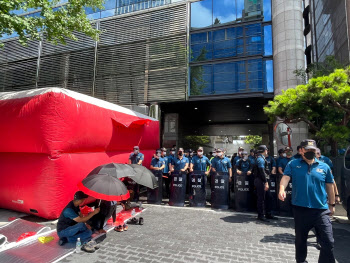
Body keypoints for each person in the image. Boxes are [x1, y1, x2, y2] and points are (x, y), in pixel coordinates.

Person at [279, 139, 335, 263]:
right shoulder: (293, 164)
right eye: (308, 149)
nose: (310, 151)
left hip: (321, 210)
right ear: (301, 150)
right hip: (300, 210)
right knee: (300, 241)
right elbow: (286, 177)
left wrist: (332, 204)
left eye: (312, 150)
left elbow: (330, 185)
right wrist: (282, 189)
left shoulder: (324, 166)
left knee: (328, 241)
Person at [255, 145, 278, 221]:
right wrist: (266, 182)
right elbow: (262, 172)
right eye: (266, 150)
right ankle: (260, 215)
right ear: (265, 150)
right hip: (261, 180)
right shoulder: (260, 159)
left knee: (269, 197)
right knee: (261, 198)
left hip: (264, 180)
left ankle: (268, 213)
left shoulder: (261, 158)